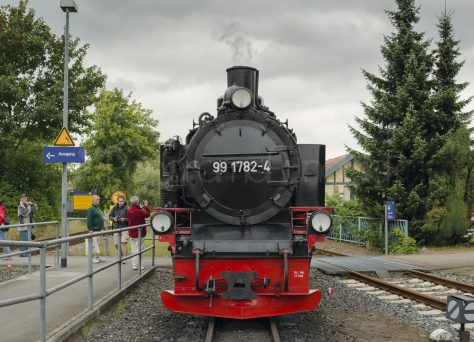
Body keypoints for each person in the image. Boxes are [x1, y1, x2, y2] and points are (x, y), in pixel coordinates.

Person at [127, 196, 150, 270]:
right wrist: (146, 206)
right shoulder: (139, 211)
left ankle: (134, 264)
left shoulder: (129, 210)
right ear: (137, 202)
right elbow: (147, 214)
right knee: (139, 249)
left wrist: (141, 208)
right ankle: (137, 265)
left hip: (131, 232)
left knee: (133, 249)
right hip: (139, 233)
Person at [109, 195, 129, 263]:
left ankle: (125, 258)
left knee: (124, 243)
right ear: (117, 201)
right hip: (116, 227)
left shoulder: (127, 208)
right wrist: (113, 218)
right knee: (116, 244)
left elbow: (131, 218)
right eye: (120, 201)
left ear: (124, 201)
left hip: (125, 228)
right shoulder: (114, 208)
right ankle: (121, 255)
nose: (121, 202)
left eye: (122, 201)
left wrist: (125, 219)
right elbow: (110, 216)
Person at [86, 195, 106, 263]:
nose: (98, 201)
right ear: (93, 200)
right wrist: (90, 229)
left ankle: (98, 257)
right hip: (94, 230)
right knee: (93, 245)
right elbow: (89, 220)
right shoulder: (91, 208)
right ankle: (91, 259)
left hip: (99, 230)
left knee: (97, 244)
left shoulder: (97, 208)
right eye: (97, 199)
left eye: (99, 199)